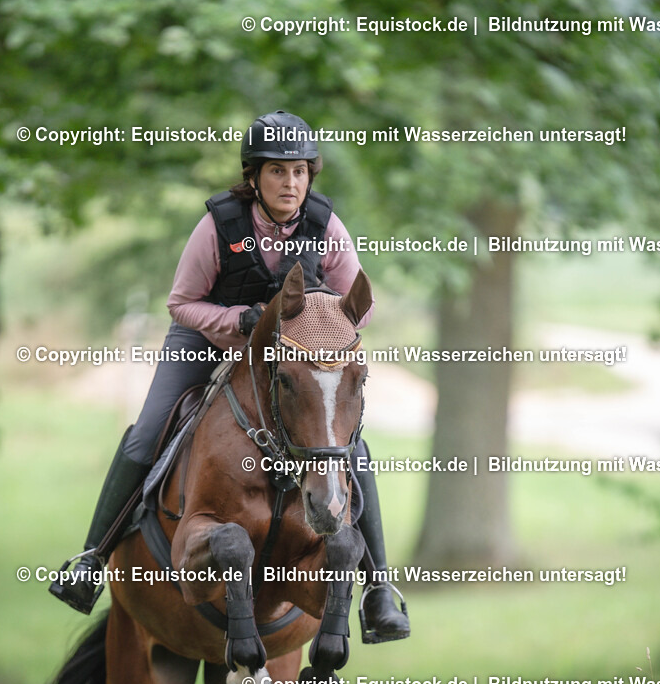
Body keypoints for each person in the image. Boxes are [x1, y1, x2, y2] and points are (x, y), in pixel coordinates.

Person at [50, 110, 410, 643]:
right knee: (147, 432)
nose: (290, 183)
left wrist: (317, 318)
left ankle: (379, 588)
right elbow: (181, 304)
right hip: (207, 339)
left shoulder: (326, 225)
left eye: (299, 172)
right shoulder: (219, 225)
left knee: (349, 446)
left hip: (291, 352)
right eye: (276, 172)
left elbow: (362, 306)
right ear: (253, 177)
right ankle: (91, 560)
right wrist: (238, 320)